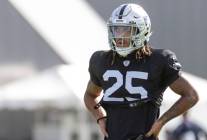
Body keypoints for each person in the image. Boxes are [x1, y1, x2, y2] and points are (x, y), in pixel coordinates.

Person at [84, 3, 199, 140]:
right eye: (116, 29)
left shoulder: (158, 60)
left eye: (126, 30)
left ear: (141, 30)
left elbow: (191, 95)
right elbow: (90, 95)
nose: (119, 36)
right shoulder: (102, 60)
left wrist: (161, 122)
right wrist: (100, 117)